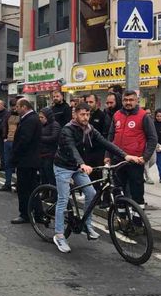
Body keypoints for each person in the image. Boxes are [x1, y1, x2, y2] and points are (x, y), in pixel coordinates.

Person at [52, 103, 141, 253]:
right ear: (75, 115)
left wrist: (125, 155)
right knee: (63, 199)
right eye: (82, 114)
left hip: (79, 166)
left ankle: (87, 225)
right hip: (64, 167)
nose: (86, 117)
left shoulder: (90, 129)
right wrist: (82, 164)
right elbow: (71, 148)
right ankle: (59, 235)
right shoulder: (67, 130)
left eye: (87, 114)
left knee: (92, 194)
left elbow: (106, 143)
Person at [106, 90, 158, 208]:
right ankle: (121, 219)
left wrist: (145, 158)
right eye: (125, 100)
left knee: (137, 192)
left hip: (135, 161)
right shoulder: (117, 115)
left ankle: (138, 221)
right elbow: (110, 137)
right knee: (118, 190)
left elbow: (153, 138)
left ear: (136, 101)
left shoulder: (143, 116)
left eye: (131, 100)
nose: (128, 102)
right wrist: (107, 156)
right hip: (117, 159)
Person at [9, 99, 42, 224]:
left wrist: (15, 154)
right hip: (30, 160)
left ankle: (25, 214)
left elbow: (24, 140)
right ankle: (38, 213)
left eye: (17, 106)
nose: (15, 109)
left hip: (26, 160)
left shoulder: (30, 120)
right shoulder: (31, 118)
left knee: (23, 188)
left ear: (24, 107)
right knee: (32, 188)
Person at [85, 94, 108, 187]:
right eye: (86, 102)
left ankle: (100, 197)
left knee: (98, 176)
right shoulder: (84, 116)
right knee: (88, 175)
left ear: (97, 103)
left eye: (91, 102)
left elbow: (105, 134)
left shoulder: (102, 116)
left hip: (98, 152)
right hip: (87, 151)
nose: (88, 104)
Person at [0, 99, 20, 191]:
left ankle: (19, 185)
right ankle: (7, 184)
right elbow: (4, 125)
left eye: (15, 105)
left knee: (18, 164)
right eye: (12, 106)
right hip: (8, 141)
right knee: (8, 164)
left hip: (17, 142)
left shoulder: (22, 115)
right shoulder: (8, 114)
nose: (14, 107)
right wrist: (5, 138)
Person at [38, 107, 60, 186]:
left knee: (50, 174)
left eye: (42, 117)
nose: (40, 119)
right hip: (42, 153)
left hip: (50, 154)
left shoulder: (55, 125)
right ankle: (45, 192)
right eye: (39, 117)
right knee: (43, 175)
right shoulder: (41, 125)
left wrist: (39, 138)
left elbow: (54, 138)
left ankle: (53, 193)